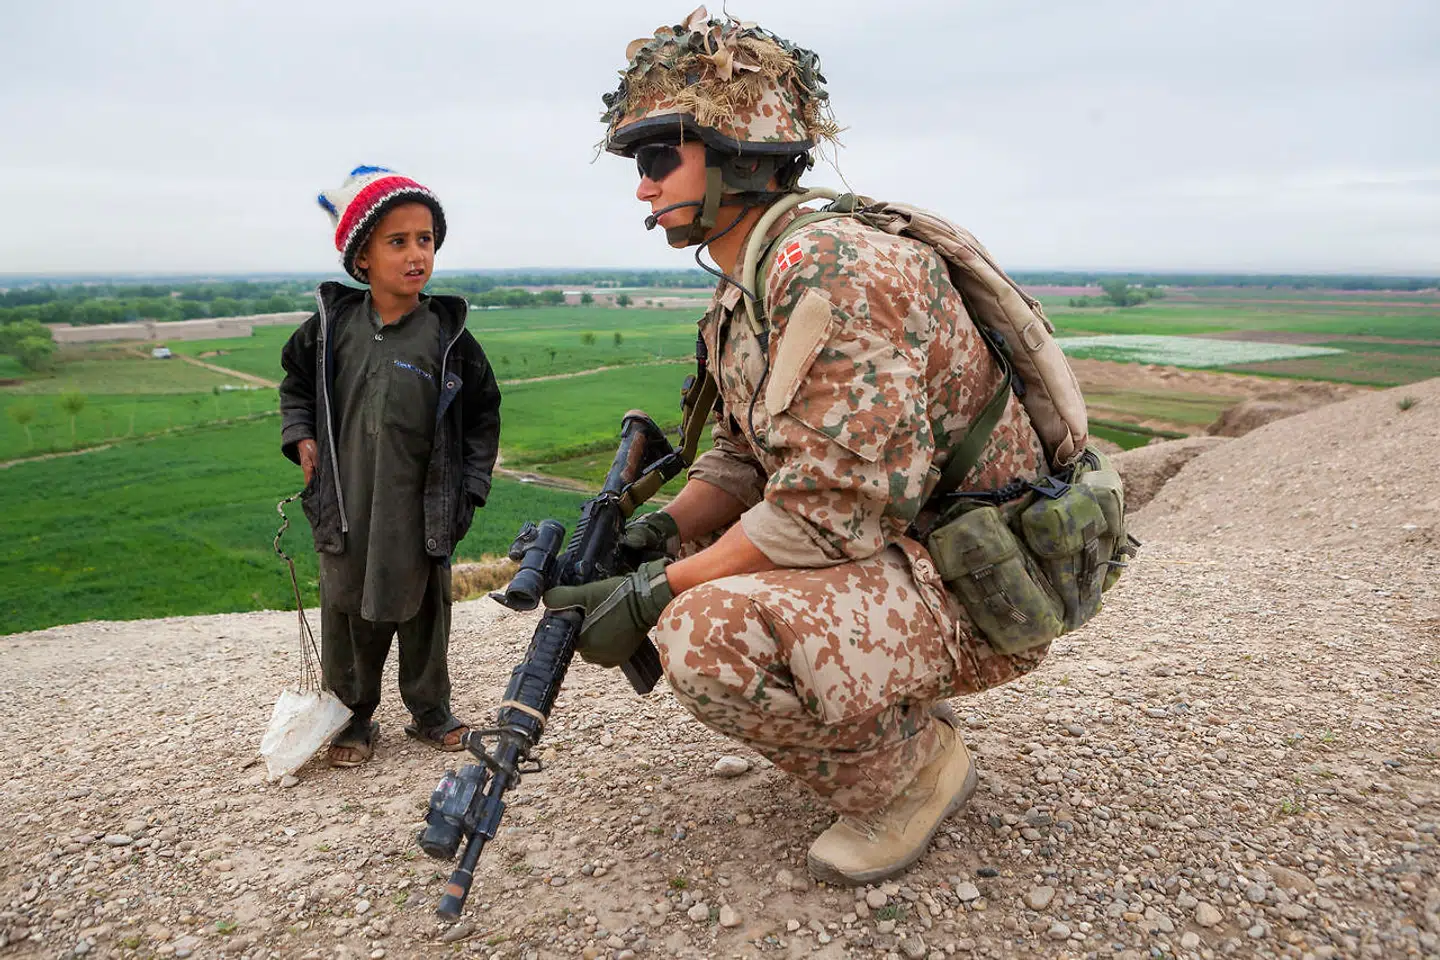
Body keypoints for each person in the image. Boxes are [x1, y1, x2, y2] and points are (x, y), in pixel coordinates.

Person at [542, 9, 1053, 885]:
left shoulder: (830, 269)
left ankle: (912, 777)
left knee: (702, 630)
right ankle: (887, 712)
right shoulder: (749, 283)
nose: (642, 188)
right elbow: (745, 459)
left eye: (658, 158)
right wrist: (659, 533)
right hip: (911, 554)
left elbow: (827, 512)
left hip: (987, 586)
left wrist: (656, 590)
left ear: (739, 152)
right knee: (696, 557)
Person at [279, 166, 501, 767]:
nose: (416, 254)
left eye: (425, 239)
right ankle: (352, 718)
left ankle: (431, 712)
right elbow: (295, 385)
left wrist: (470, 488)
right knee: (348, 608)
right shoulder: (331, 330)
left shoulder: (448, 338)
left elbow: (483, 415)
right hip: (347, 496)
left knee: (424, 608)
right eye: (397, 242)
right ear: (362, 258)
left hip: (420, 500)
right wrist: (301, 436)